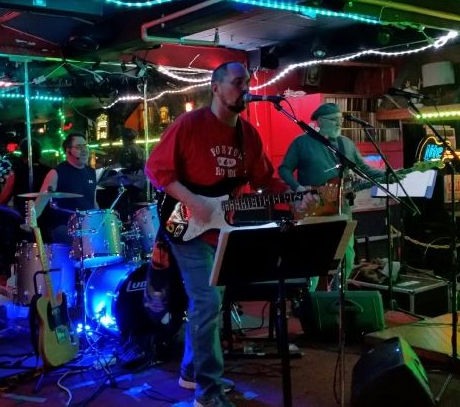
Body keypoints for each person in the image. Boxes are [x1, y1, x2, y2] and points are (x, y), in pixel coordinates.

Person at [146, 61, 274, 407]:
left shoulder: (248, 135)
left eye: (247, 83)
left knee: (208, 304)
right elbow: (156, 170)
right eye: (237, 82)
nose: (245, 88)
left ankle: (192, 370)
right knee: (207, 301)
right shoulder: (189, 124)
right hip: (185, 224)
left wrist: (298, 196)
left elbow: (265, 180)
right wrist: (195, 202)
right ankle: (208, 391)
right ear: (216, 88)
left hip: (222, 229)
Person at [278, 102, 385, 286]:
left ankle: (335, 296)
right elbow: (284, 169)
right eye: (334, 120)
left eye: (340, 119)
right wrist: (298, 188)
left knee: (347, 257)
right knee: (312, 261)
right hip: (313, 209)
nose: (339, 123)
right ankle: (309, 298)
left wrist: (390, 174)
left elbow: (363, 168)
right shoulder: (301, 143)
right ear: (320, 121)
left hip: (342, 209)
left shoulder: (346, 144)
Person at [35, 132, 98, 243]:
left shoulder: (91, 172)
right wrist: (30, 222)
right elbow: (40, 202)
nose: (84, 150)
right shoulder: (56, 173)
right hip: (65, 227)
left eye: (85, 146)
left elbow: (93, 201)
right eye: (79, 147)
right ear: (68, 151)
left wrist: (101, 218)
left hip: (88, 226)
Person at [0, 138, 52, 219]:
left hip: (22, 219)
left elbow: (2, 199)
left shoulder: (16, 172)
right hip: (47, 218)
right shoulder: (50, 171)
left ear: (22, 152)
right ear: (39, 152)